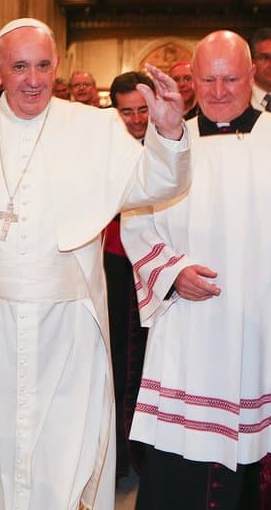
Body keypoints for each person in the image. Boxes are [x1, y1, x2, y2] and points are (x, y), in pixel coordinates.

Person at [0, 17, 191, 510]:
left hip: (68, 323)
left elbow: (155, 185)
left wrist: (169, 131)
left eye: (42, 66)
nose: (32, 80)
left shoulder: (95, 127)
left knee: (64, 451)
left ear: (57, 65)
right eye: (18, 67)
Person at [122, 31, 271, 508]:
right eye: (207, 79)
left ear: (252, 76)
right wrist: (171, 272)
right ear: (191, 79)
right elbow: (136, 219)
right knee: (178, 469)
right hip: (189, 335)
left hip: (264, 335)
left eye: (230, 78)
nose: (217, 92)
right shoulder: (172, 142)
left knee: (255, 473)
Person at [104, 71, 156, 480]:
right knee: (123, 361)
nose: (136, 119)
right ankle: (122, 454)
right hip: (117, 263)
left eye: (142, 110)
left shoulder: (172, 138)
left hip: (162, 263)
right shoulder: (102, 145)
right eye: (127, 112)